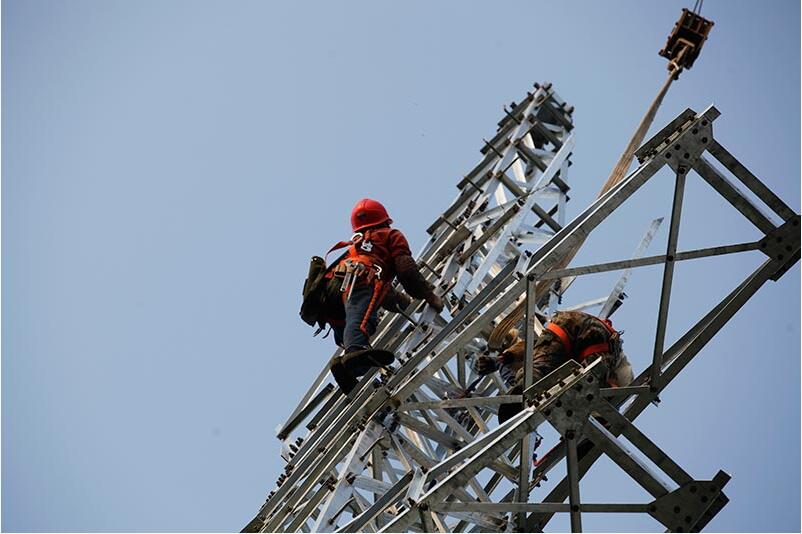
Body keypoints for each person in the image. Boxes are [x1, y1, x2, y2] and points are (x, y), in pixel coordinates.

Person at [322, 199, 444, 393]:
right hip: (358, 280)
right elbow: (406, 271)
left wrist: (402, 302)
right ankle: (354, 354)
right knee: (363, 321)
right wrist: (429, 296)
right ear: (385, 220)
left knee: (352, 328)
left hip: (331, 293)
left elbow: (385, 293)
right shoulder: (390, 235)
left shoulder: (358, 246)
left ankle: (346, 366)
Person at [474, 310, 634, 423]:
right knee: (585, 386)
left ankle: (523, 389)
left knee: (541, 367)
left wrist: (500, 360)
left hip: (565, 324)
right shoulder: (620, 378)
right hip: (598, 339)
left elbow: (538, 350)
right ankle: (593, 426)